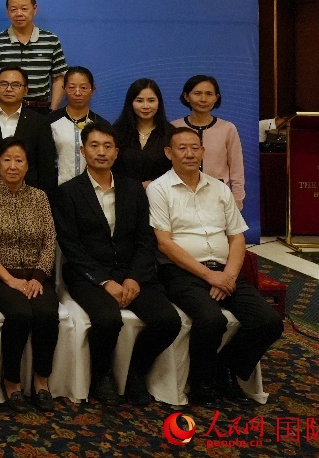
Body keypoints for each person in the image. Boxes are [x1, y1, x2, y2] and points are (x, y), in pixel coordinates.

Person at [148, 127, 283, 407]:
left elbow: (237, 237)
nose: (189, 154)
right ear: (169, 153)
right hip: (182, 272)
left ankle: (226, 368)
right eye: (182, 148)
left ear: (203, 151)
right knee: (212, 320)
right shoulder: (159, 189)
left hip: (225, 271)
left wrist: (228, 276)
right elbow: (164, 243)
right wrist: (210, 276)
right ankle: (203, 385)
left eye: (195, 147)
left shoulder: (220, 188)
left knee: (269, 322)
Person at [52, 121, 180, 407]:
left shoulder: (133, 189)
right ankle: (101, 376)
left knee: (168, 320)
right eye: (94, 146)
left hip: (132, 272)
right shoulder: (68, 192)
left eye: (107, 146)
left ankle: (135, 374)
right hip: (89, 274)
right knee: (108, 319)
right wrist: (104, 281)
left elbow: (146, 239)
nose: (101, 152)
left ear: (117, 152)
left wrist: (134, 277)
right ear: (83, 151)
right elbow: (71, 246)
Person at [0, 137, 60, 414]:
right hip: (0, 277)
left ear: (27, 165)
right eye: (7, 160)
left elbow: (49, 241)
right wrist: (10, 280)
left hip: (36, 276)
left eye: (19, 160)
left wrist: (38, 277)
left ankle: (41, 382)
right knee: (20, 314)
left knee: (46, 313)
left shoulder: (40, 197)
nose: (13, 166)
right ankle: (11, 382)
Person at [0, 66, 58, 198]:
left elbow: (46, 166)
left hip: (29, 197)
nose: (9, 89)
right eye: (3, 84)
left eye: (16, 85)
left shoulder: (39, 123)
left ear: (25, 90)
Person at [0, 0, 68, 113]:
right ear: (7, 11)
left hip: (40, 110)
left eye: (24, 8)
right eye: (13, 9)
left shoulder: (51, 40)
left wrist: (52, 112)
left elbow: (58, 78)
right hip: (5, 110)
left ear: (35, 9)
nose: (19, 14)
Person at [172, 75, 246, 210]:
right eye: (197, 93)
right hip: (181, 199)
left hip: (219, 199)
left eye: (209, 94)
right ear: (186, 96)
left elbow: (237, 170)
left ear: (216, 98)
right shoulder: (174, 127)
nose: (203, 99)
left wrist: (237, 202)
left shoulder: (228, 128)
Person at [112, 78, 176, 187]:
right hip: (123, 192)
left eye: (151, 100)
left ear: (159, 102)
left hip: (161, 192)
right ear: (130, 103)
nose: (146, 106)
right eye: (139, 101)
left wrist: (153, 183)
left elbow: (177, 168)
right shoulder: (116, 132)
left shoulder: (170, 133)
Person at [49, 66, 104, 186]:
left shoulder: (100, 124)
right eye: (72, 87)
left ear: (92, 90)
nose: (77, 93)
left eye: (83, 88)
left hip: (92, 189)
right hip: (58, 188)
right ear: (64, 89)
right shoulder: (50, 121)